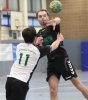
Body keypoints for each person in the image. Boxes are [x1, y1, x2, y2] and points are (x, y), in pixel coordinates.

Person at [36, 9, 88, 100]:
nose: (43, 18)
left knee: (78, 85)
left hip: (62, 59)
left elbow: (58, 19)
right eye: (40, 16)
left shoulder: (53, 26)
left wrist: (55, 21)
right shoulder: (39, 34)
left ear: (48, 16)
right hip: (51, 63)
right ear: (37, 19)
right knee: (53, 91)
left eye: (44, 15)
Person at [5, 26, 64, 100]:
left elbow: (29, 48)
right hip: (21, 82)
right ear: (34, 37)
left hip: (10, 79)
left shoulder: (19, 46)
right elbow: (53, 46)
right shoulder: (38, 50)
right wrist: (59, 39)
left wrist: (35, 43)